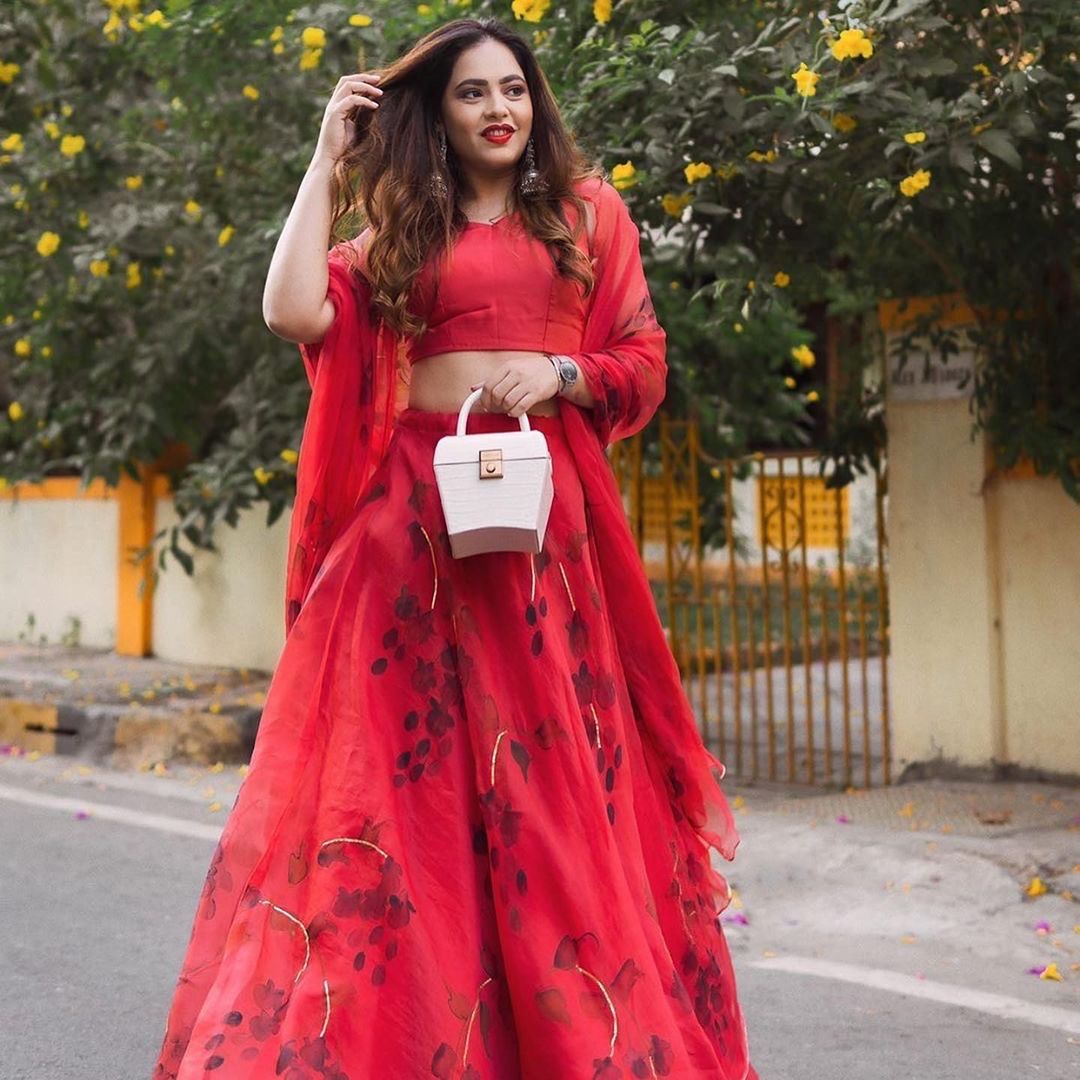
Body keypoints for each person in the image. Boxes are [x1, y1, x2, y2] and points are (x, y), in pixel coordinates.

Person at [152, 15, 758, 1080]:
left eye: (513, 90)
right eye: (473, 93)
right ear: (439, 112)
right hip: (408, 542)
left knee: (546, 801)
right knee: (405, 803)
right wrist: (324, 159)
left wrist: (563, 376)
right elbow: (292, 310)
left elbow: (643, 358)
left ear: (537, 104)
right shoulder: (400, 227)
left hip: (541, 548)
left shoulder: (584, 214)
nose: (498, 110)